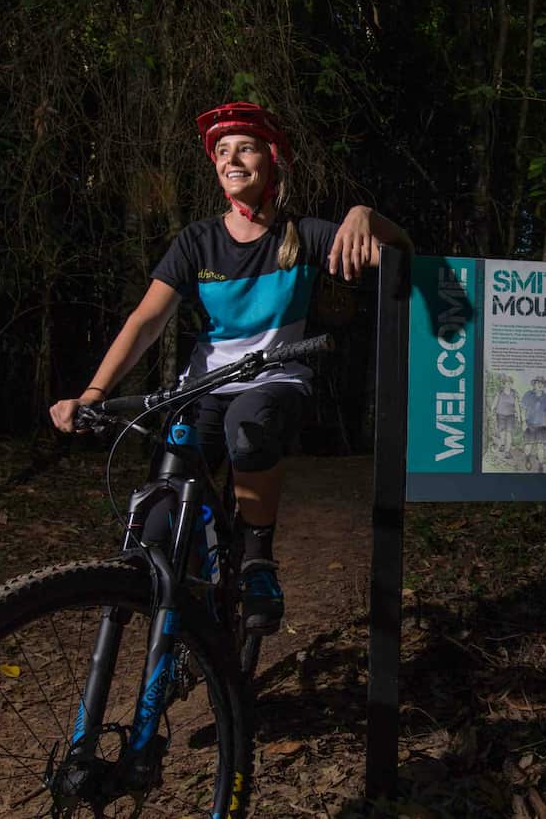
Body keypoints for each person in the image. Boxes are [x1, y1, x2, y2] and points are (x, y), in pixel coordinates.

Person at [49, 102, 412, 635]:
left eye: (244, 147)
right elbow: (147, 319)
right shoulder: (197, 241)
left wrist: (365, 215)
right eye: (222, 152)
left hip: (275, 380)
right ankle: (186, 603)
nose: (231, 159)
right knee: (158, 513)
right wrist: (95, 391)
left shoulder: (304, 235)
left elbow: (400, 253)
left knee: (248, 427)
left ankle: (258, 560)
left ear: (272, 160)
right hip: (204, 385)